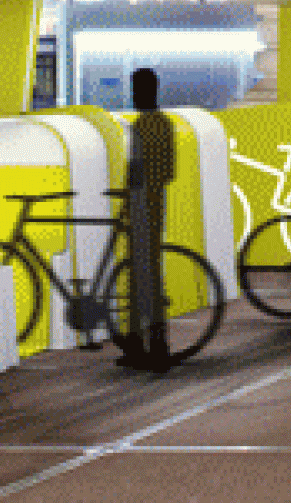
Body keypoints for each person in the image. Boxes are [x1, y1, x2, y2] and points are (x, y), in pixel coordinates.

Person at [118, 68, 175, 371]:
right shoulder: (165, 124)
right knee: (148, 275)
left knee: (143, 277)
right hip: (156, 207)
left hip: (141, 208)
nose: (134, 94)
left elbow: (135, 172)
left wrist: (130, 199)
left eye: (135, 89)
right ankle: (147, 342)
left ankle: (149, 345)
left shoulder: (140, 127)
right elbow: (169, 170)